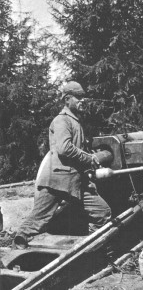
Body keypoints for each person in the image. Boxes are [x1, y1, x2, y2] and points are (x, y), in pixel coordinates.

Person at [14, 81, 111, 248]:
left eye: (83, 97)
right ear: (67, 99)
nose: (83, 100)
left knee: (103, 213)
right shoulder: (62, 120)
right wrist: (90, 158)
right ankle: (15, 248)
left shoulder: (75, 121)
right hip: (57, 181)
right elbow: (65, 148)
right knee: (38, 219)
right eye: (79, 97)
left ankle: (91, 249)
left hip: (76, 181)